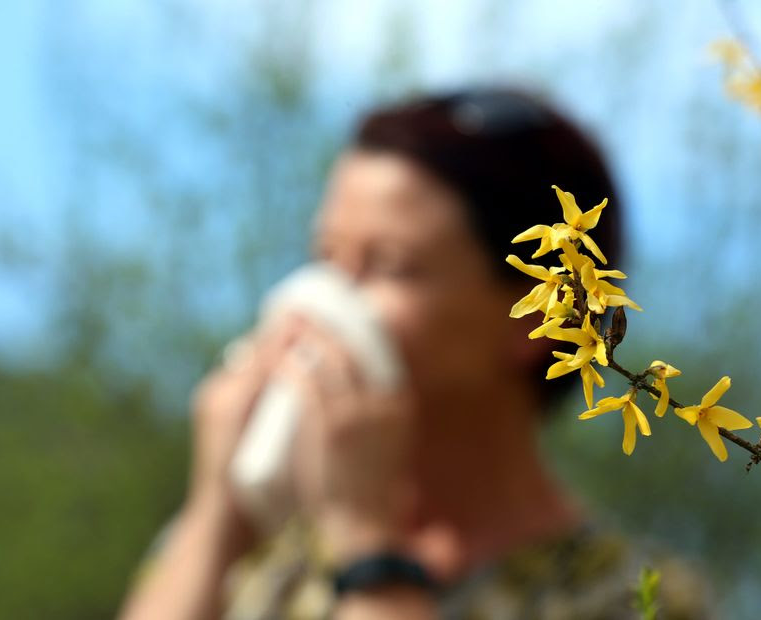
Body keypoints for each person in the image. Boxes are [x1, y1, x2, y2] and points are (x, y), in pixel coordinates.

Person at [119, 88, 710, 619]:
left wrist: (371, 554)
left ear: (536, 319)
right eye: (327, 257)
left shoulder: (628, 598)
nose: (325, 301)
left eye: (388, 266)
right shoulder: (269, 550)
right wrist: (219, 511)